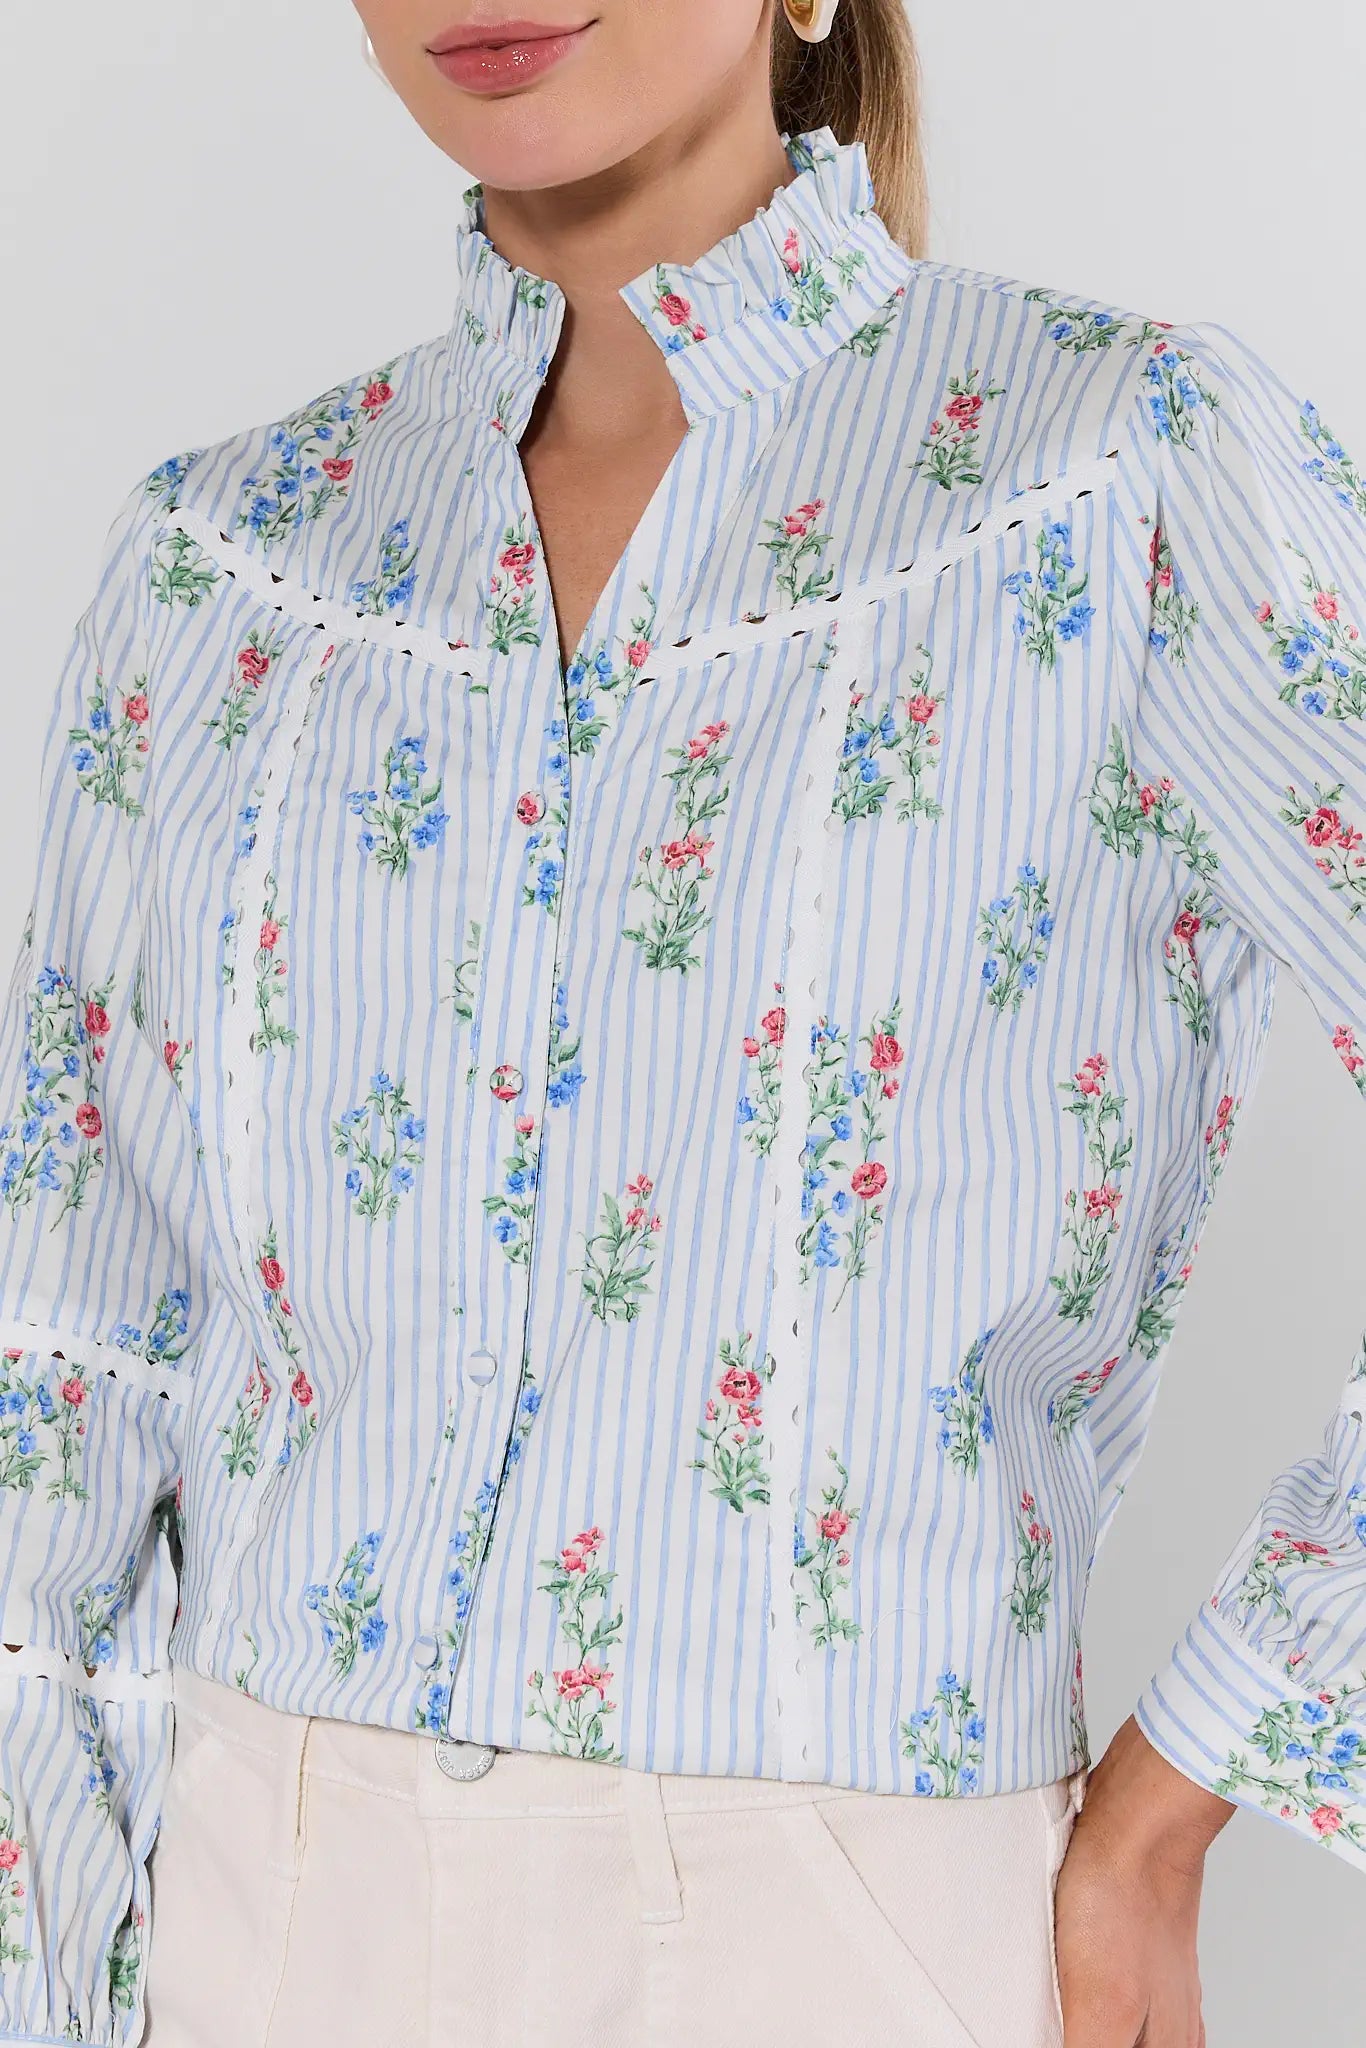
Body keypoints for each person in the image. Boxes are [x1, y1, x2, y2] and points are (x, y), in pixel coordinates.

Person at [0, 1, 1362, 2043]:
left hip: (837, 1932)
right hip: (254, 1910)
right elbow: (67, 1375)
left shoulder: (1121, 466)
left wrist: (1186, 1781)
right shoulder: (218, 565)